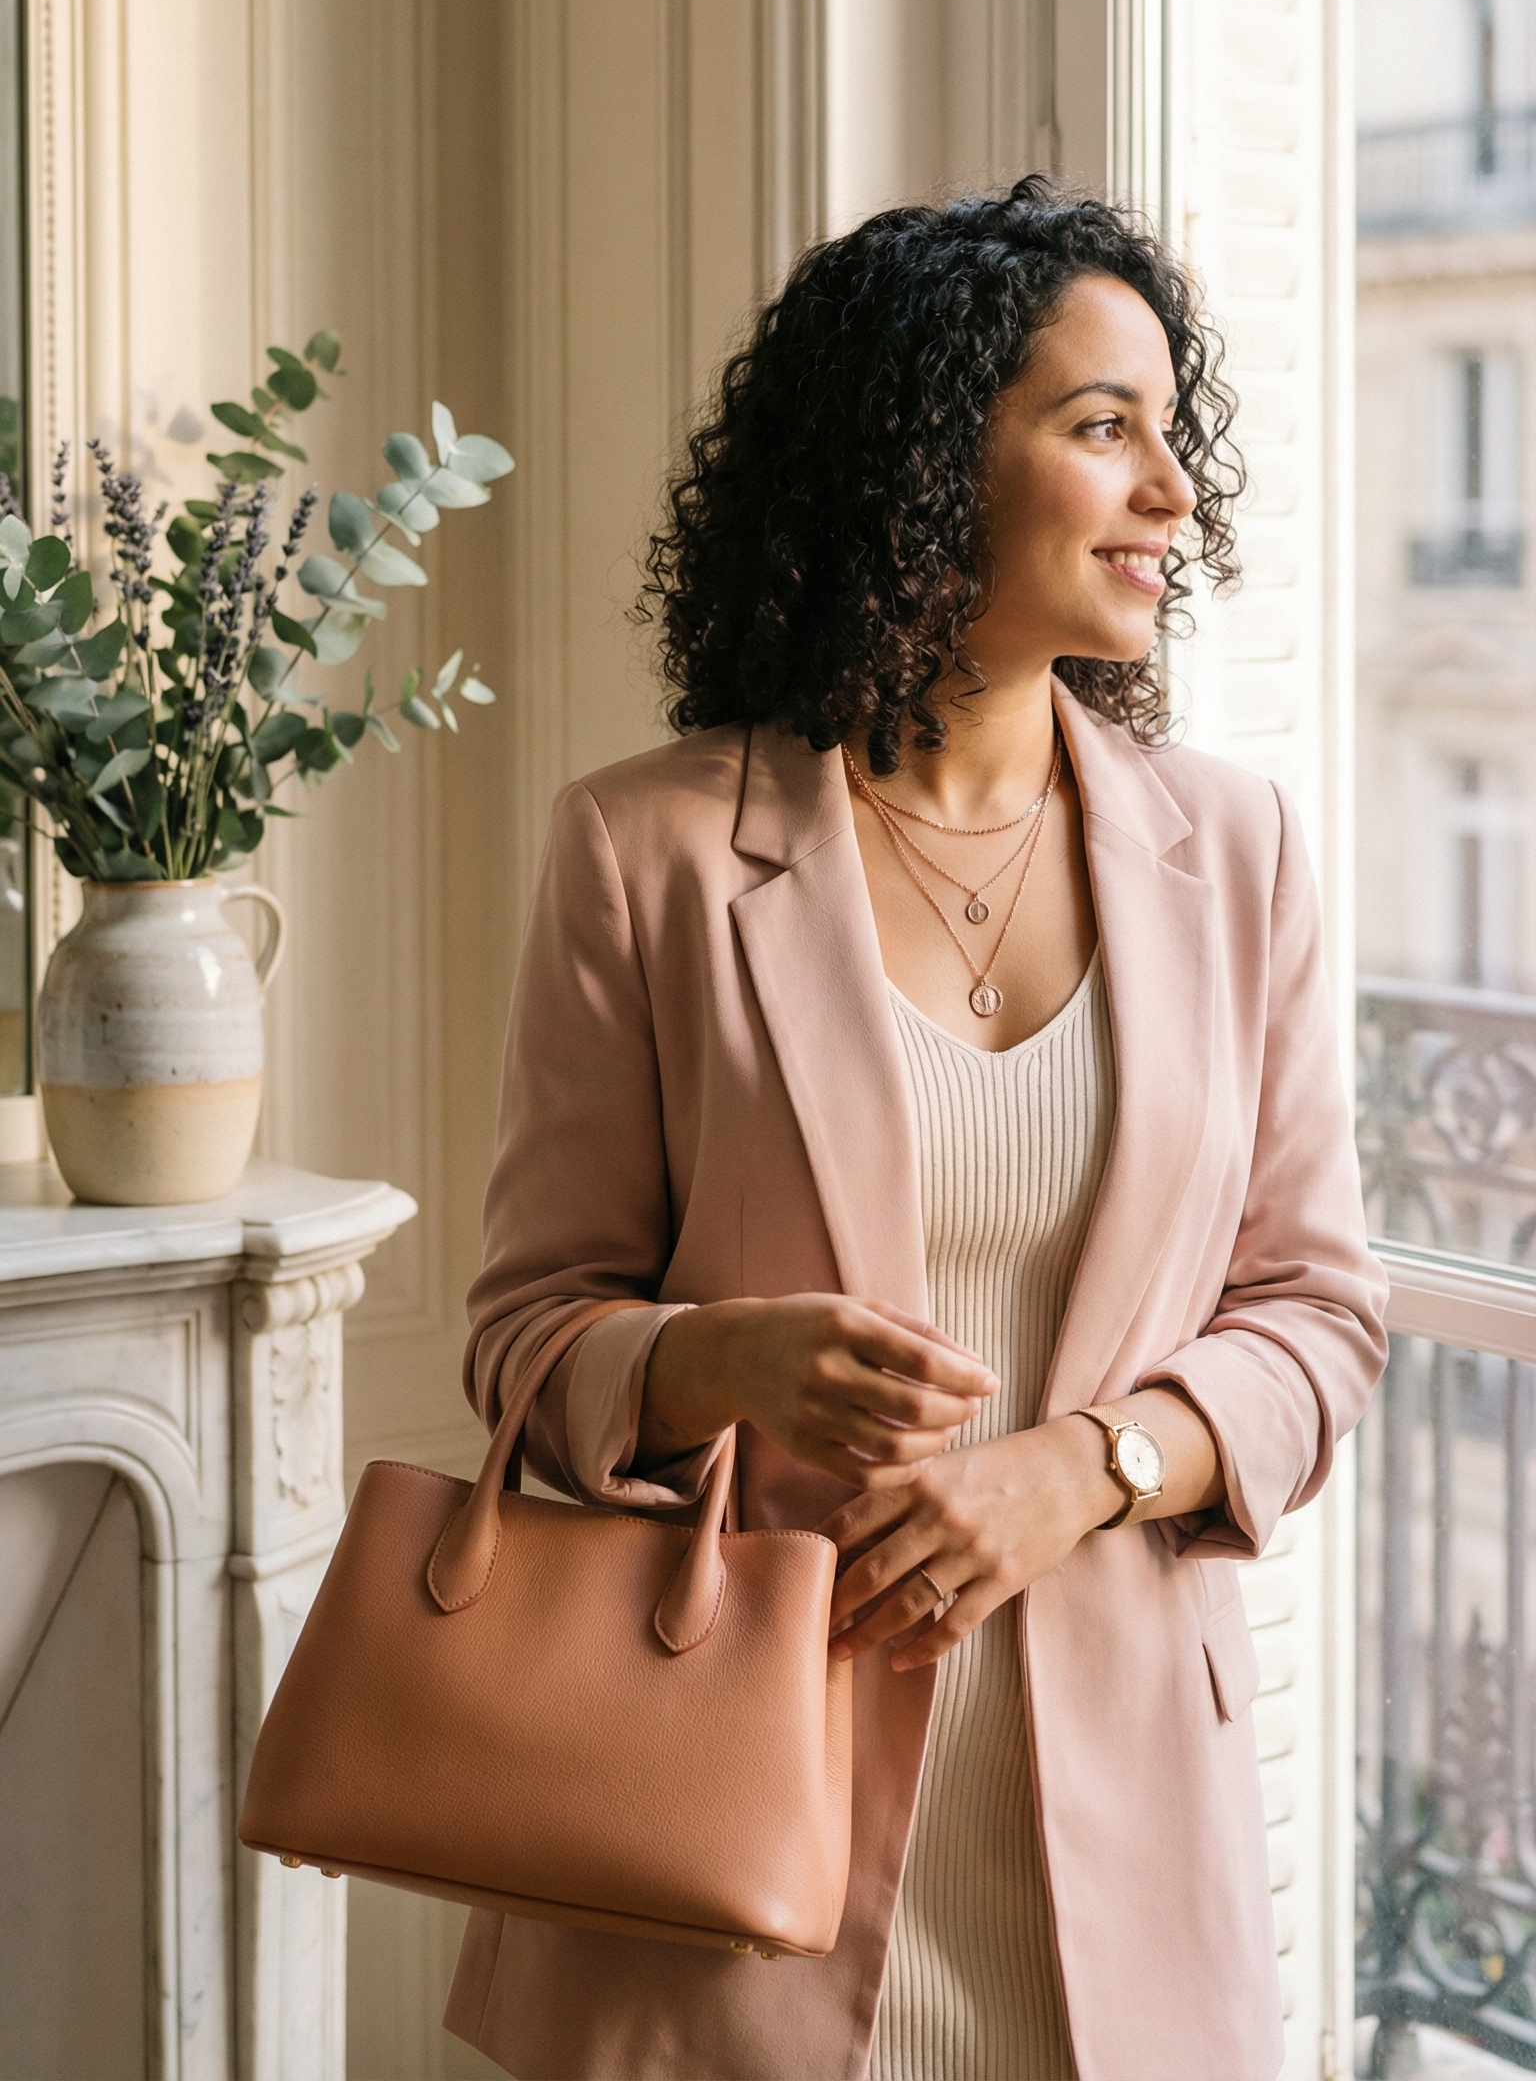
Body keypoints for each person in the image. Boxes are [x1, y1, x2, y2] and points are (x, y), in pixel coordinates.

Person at [444, 179, 1388, 2081]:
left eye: (1170, 431)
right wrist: (712, 1362)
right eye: (1102, 427)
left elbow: (1319, 1312)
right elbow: (525, 1336)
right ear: (924, 457)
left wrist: (1096, 1464)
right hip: (729, 1842)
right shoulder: (646, 850)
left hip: (1121, 1864)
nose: (1172, 491)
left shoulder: (1237, 850)